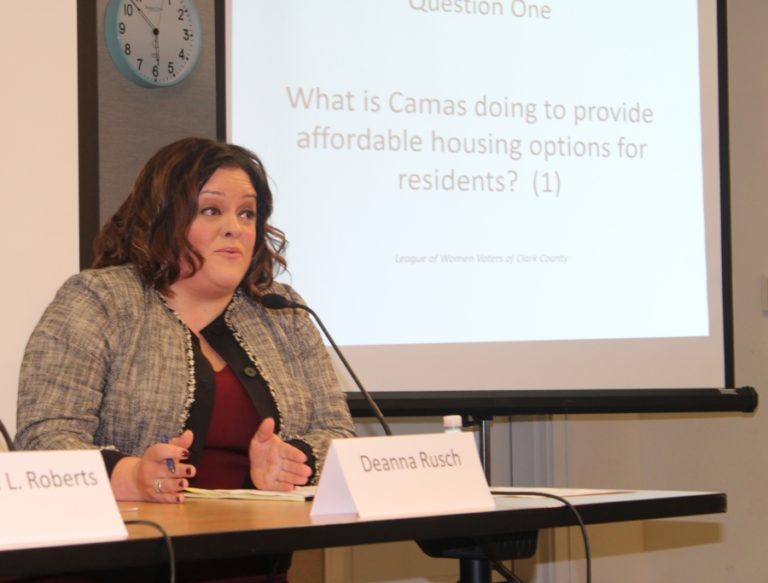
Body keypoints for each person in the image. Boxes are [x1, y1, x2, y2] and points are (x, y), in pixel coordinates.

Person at [15, 137, 356, 581]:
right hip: (118, 567)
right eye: (211, 210)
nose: (235, 227)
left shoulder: (282, 310)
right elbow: (44, 439)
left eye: (247, 213)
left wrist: (293, 462)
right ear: (163, 218)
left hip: (256, 567)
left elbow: (338, 431)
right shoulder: (99, 300)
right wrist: (132, 476)